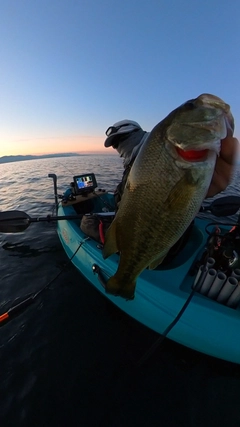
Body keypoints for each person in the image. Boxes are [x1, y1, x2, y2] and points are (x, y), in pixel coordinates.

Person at [104, 119, 239, 205]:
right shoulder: (131, 165)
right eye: (115, 145)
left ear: (137, 134)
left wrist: (196, 189)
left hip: (155, 237)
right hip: (133, 230)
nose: (118, 147)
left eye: (120, 140)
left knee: (87, 222)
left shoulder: (164, 155)